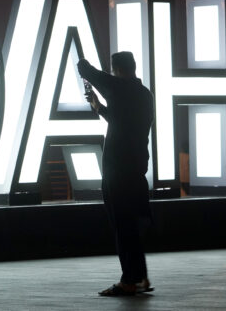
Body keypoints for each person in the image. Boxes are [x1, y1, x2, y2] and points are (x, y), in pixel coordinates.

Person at [77, 52, 155, 297]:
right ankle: (140, 277)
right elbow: (121, 120)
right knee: (130, 224)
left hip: (117, 170)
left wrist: (80, 57)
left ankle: (129, 281)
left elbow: (86, 70)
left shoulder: (117, 87)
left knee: (122, 225)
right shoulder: (144, 94)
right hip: (136, 168)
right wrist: (99, 108)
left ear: (117, 70)